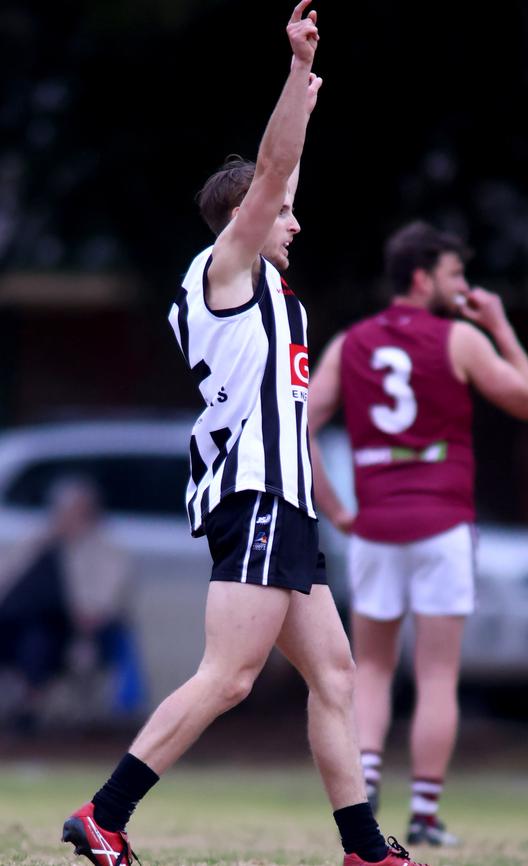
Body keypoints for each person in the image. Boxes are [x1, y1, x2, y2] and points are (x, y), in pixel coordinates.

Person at [61, 6, 429, 866]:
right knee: (228, 676)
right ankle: (103, 815)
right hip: (254, 497)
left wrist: (327, 498)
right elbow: (272, 169)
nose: (295, 221)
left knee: (334, 676)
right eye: (284, 212)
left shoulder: (279, 301)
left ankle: (366, 850)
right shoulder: (228, 271)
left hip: (286, 502)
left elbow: (289, 413)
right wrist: (299, 75)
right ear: (249, 220)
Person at [308, 220, 528, 845]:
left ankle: (364, 783)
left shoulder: (350, 344)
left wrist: (335, 507)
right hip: (442, 523)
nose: (463, 287)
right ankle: (426, 813)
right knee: (438, 675)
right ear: (421, 277)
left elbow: (296, 425)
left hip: (375, 525)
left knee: (374, 670)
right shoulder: (459, 339)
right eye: (454, 274)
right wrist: (499, 325)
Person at [0, 477, 136, 732]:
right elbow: (7, 583)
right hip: (21, 623)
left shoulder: (106, 550)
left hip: (74, 630)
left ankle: (31, 707)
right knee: (32, 631)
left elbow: (106, 602)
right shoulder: (36, 544)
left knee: (39, 639)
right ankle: (28, 705)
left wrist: (84, 615)